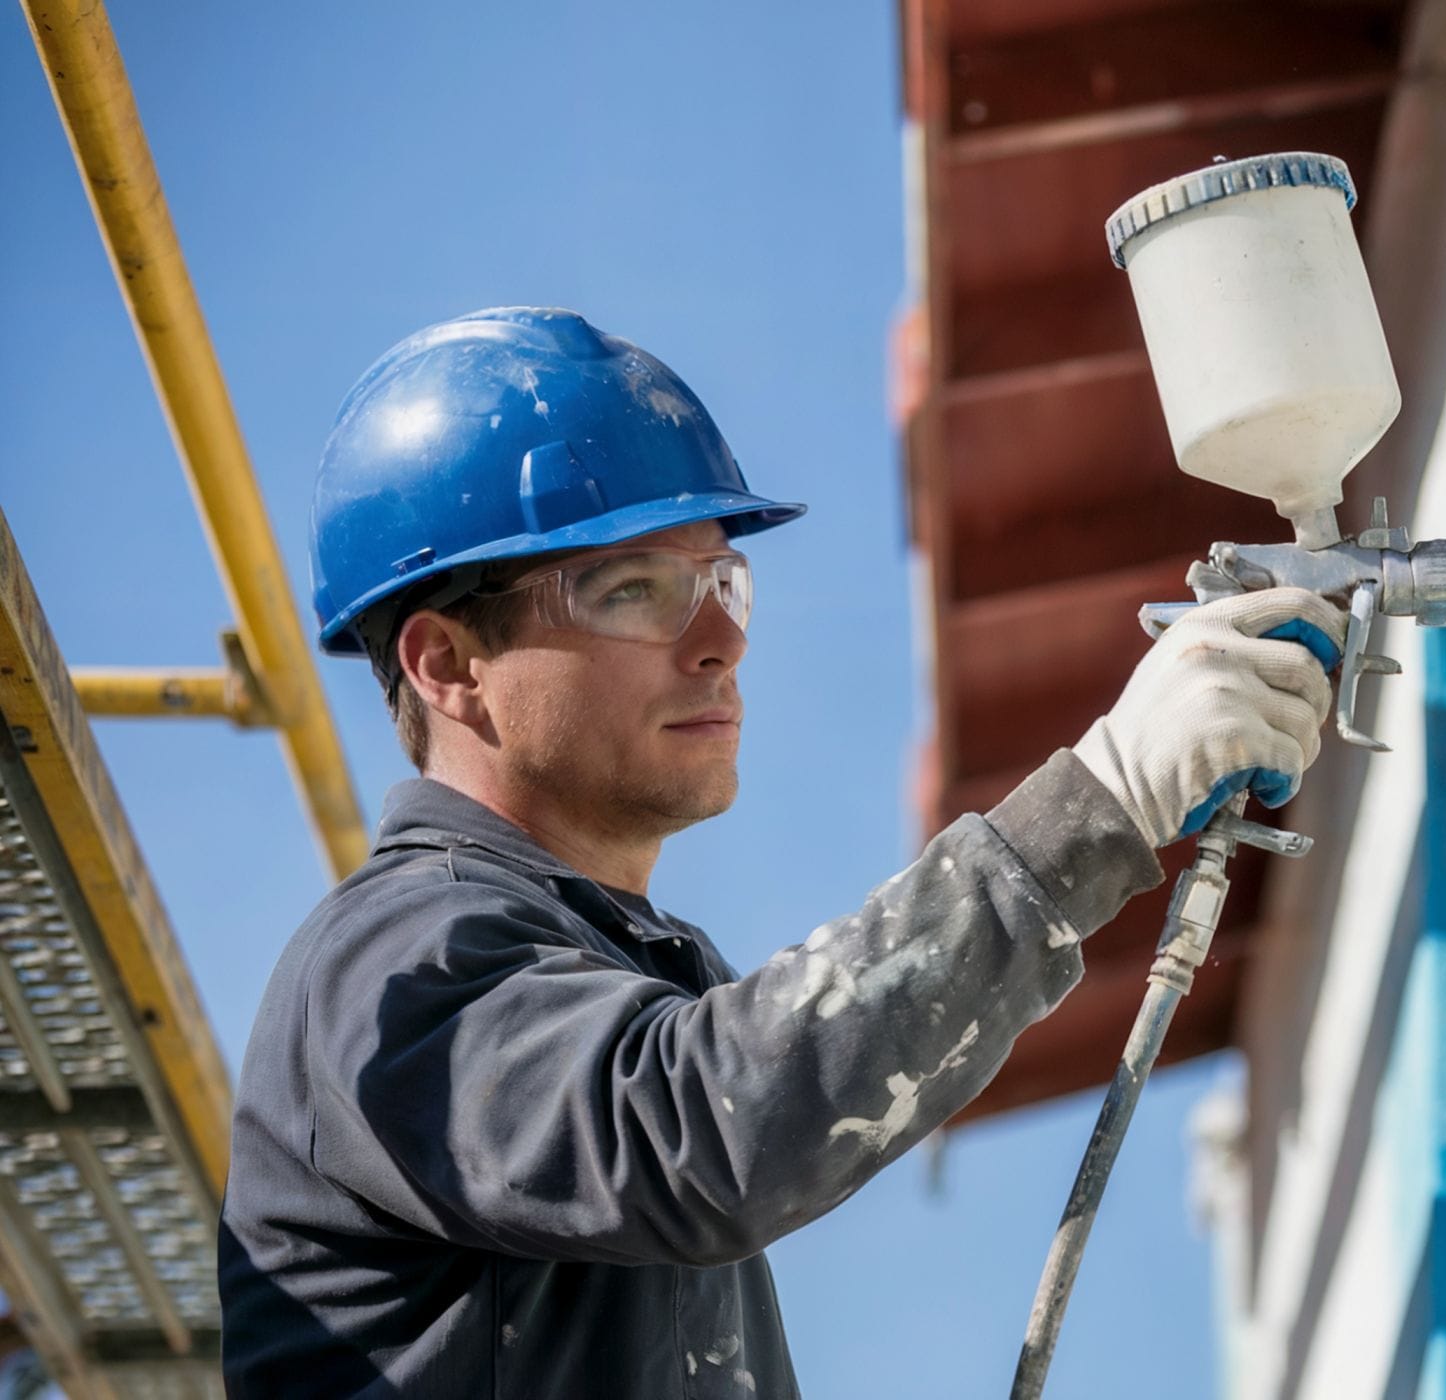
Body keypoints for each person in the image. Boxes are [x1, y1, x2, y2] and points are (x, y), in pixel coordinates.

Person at [216, 307, 1345, 1396]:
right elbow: (700, 1129)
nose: (720, 640)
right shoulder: (390, 964)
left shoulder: (629, 969)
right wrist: (1096, 801)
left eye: (722, 582)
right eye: (633, 591)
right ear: (447, 664)